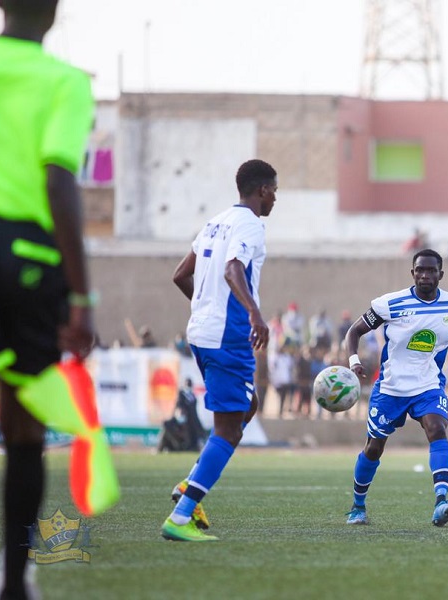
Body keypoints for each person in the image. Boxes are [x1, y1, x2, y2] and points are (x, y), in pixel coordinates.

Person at [0, 1, 102, 597]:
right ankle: (13, 580)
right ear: (55, 10)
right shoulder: (64, 82)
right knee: (22, 426)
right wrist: (81, 295)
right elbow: (59, 181)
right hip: (26, 261)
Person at [161, 158, 277, 542]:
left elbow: (181, 275)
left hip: (202, 333)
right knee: (228, 431)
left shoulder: (215, 221)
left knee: (248, 406)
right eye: (274, 191)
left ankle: (191, 482)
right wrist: (255, 314)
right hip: (228, 336)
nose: (275, 199)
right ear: (262, 190)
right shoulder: (250, 225)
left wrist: (206, 308)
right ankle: (181, 515)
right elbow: (232, 270)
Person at [344, 249, 448, 527]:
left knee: (437, 428)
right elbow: (354, 331)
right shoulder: (391, 303)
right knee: (374, 448)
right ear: (412, 273)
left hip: (428, 385)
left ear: (441, 274)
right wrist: (354, 361)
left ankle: (441, 502)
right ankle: (357, 506)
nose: (425, 275)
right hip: (390, 389)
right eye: (420, 270)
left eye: (431, 270)